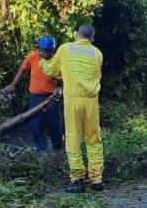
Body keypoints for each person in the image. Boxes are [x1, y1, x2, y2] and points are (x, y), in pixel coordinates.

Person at [42, 24, 104, 193]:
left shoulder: (65, 49)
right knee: (94, 139)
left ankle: (77, 180)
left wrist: (41, 60)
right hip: (91, 102)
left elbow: (51, 70)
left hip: (74, 101)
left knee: (73, 138)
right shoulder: (97, 54)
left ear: (76, 35)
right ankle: (96, 179)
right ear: (92, 39)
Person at [0, 36, 63, 152]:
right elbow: (23, 69)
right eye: (40, 50)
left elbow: (63, 81)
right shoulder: (33, 56)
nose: (42, 54)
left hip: (52, 98)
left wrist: (59, 89)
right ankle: (41, 151)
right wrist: (13, 84)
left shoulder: (58, 62)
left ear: (52, 51)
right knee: (34, 125)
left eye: (45, 51)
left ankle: (58, 151)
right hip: (35, 97)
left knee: (55, 125)